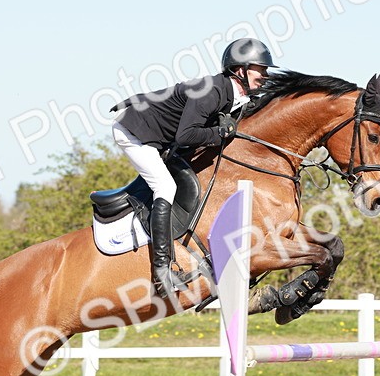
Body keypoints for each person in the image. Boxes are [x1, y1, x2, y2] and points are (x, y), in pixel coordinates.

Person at [112, 38, 277, 297]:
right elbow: (185, 136)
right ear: (240, 70)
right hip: (135, 131)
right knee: (165, 186)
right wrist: (219, 133)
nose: (265, 75)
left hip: (161, 134)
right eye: (261, 69)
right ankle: (162, 271)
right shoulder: (211, 92)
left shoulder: (236, 94)